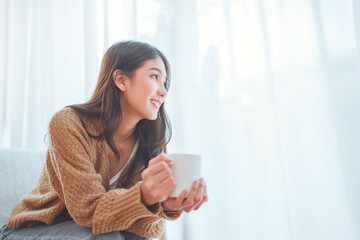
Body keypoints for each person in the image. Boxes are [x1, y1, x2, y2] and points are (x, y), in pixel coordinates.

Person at [0, 40, 208, 240]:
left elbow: (148, 229)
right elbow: (88, 211)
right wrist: (144, 197)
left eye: (165, 82)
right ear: (121, 80)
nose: (163, 92)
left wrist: (164, 205)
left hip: (103, 234)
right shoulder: (68, 124)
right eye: (155, 76)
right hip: (33, 231)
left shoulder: (150, 140)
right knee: (109, 235)